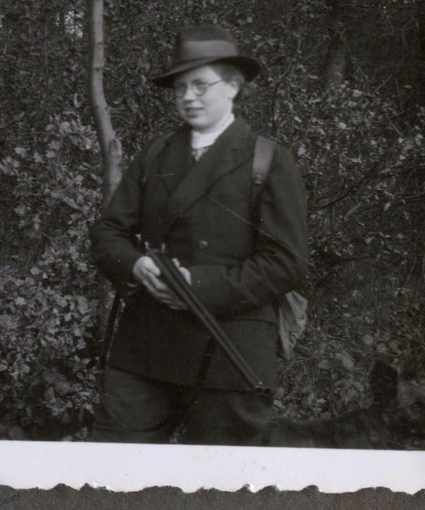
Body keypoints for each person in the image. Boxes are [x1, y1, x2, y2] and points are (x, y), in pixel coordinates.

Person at [88, 24, 309, 444]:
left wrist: (198, 286)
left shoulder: (269, 160)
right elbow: (108, 232)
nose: (188, 97)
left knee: (224, 487)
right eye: (179, 88)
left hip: (231, 353)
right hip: (146, 350)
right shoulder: (155, 154)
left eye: (200, 86)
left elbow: (287, 262)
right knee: (109, 475)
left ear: (232, 88)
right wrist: (136, 266)